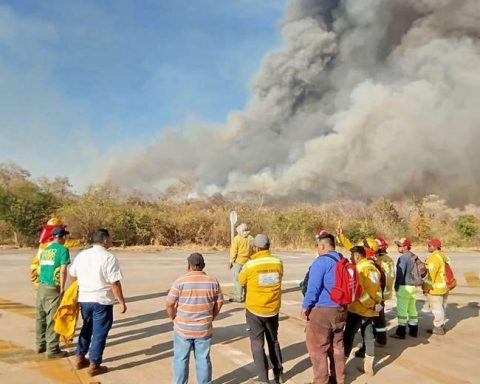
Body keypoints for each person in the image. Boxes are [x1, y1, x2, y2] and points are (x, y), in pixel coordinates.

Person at [69, 228, 126, 377]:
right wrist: (121, 302)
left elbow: (73, 275)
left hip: (85, 299)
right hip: (102, 300)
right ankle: (94, 364)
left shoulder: (82, 255)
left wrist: (77, 291)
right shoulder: (109, 258)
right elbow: (115, 283)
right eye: (110, 238)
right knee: (100, 333)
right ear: (105, 240)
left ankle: (79, 357)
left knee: (87, 328)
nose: (112, 240)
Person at [166, 253, 224, 384]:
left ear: (188, 266)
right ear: (203, 266)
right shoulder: (213, 281)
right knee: (203, 359)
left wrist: (172, 316)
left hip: (183, 328)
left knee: (181, 359)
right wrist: (212, 317)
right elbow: (219, 302)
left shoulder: (180, 281)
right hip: (204, 328)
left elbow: (169, 303)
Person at [301, 232, 347, 384]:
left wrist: (305, 306)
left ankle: (321, 381)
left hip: (322, 310)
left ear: (322, 245)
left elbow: (313, 288)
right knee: (337, 346)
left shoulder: (320, 262)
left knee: (318, 348)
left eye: (318, 246)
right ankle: (339, 378)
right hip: (341, 309)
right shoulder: (342, 259)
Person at [239, 234, 284, 384]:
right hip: (273, 309)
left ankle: (263, 379)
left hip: (255, 309)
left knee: (257, 343)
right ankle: (278, 374)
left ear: (256, 247)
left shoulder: (250, 264)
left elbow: (241, 280)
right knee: (274, 341)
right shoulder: (278, 262)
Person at [343, 246, 383, 376]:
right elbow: (378, 289)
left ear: (357, 256)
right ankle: (369, 368)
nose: (350, 258)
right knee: (369, 337)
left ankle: (340, 367)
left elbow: (359, 292)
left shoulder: (359, 269)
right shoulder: (374, 269)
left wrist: (370, 304)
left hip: (358, 310)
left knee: (348, 336)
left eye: (351, 256)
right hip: (371, 311)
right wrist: (376, 303)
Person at [35, 226, 71, 358]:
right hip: (52, 287)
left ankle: (40, 344)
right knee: (53, 318)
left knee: (40, 317)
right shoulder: (63, 250)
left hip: (41, 286)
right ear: (62, 237)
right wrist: (62, 288)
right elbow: (63, 270)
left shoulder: (46, 249)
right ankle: (52, 349)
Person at [391, 238, 419, 339]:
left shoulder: (403, 258)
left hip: (404, 286)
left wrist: (396, 286)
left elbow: (400, 273)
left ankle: (401, 331)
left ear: (405, 247)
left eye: (399, 245)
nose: (398, 247)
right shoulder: (413, 256)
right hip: (412, 286)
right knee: (412, 308)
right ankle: (413, 329)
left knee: (402, 309)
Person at [423, 238, 450, 335]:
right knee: (442, 307)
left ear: (434, 247)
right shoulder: (444, 256)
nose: (428, 247)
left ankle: (438, 327)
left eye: (429, 245)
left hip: (435, 288)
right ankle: (441, 325)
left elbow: (429, 276)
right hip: (445, 286)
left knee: (437, 308)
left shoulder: (433, 258)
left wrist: (425, 288)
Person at [228, 223, 253, 302]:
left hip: (238, 262)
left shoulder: (237, 239)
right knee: (247, 280)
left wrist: (231, 261)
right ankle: (247, 296)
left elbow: (234, 251)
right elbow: (253, 250)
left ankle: (238, 297)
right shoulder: (251, 238)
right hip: (248, 262)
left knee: (238, 280)